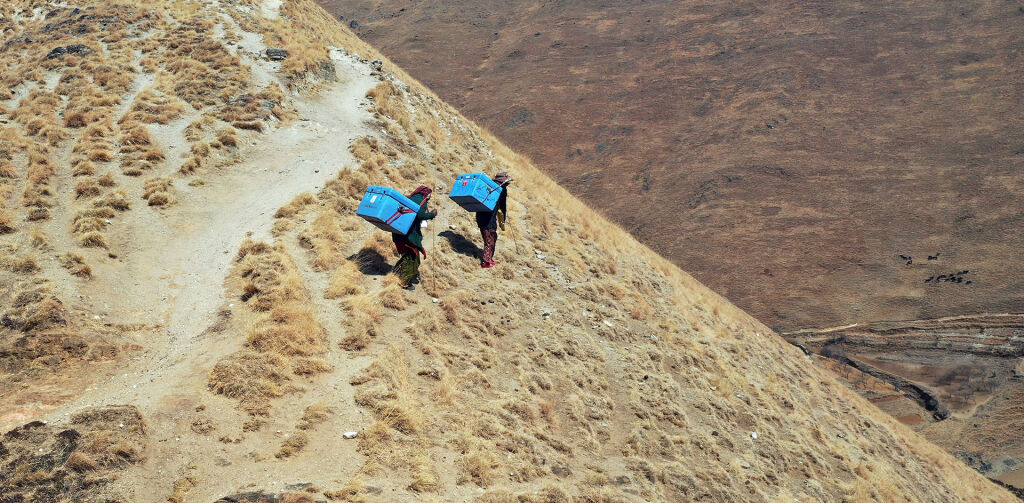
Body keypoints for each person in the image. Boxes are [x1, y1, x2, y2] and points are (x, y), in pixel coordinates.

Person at [392, 185, 436, 289]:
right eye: (430, 195)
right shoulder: (422, 202)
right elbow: (420, 216)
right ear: (426, 194)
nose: (430, 197)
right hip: (409, 235)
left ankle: (396, 272)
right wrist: (432, 214)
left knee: (407, 255)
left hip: (399, 232)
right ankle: (405, 281)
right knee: (413, 258)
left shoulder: (410, 198)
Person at [476, 172, 510, 268]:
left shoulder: (489, 187)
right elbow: (503, 206)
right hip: (489, 220)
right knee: (490, 240)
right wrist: (503, 219)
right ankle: (486, 262)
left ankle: (490, 259)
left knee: (491, 238)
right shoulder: (501, 190)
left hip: (480, 216)